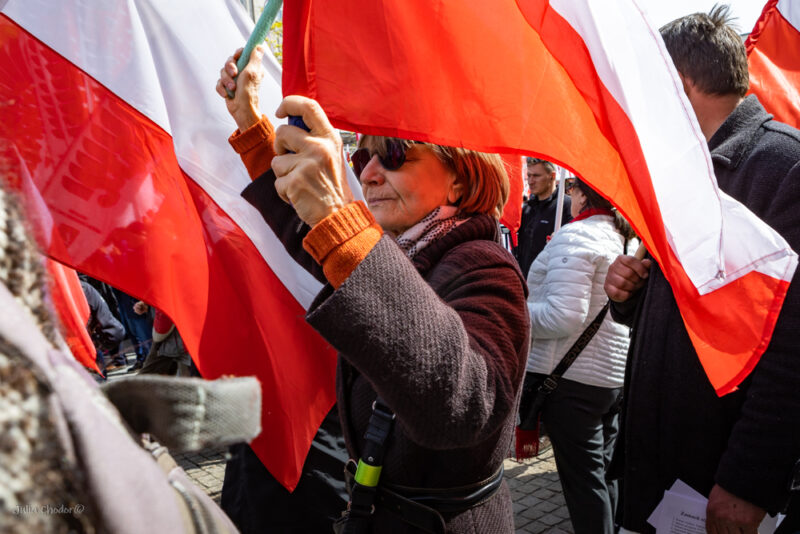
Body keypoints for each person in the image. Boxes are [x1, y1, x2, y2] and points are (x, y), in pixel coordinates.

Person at [216, 45, 529, 533]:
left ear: (460, 185)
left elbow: (463, 405)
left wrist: (339, 222)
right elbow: (313, 240)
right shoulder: (404, 248)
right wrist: (253, 125)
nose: (367, 173)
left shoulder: (487, 266)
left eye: (395, 156)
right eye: (363, 156)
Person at [604, 6, 800, 533]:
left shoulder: (787, 169)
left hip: (718, 486)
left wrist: (748, 481)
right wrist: (631, 296)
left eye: (648, 84)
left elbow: (793, 346)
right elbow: (695, 314)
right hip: (657, 477)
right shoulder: (681, 174)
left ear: (680, 83)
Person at [522, 177, 634, 533]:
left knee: (584, 485)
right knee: (602, 475)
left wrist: (515, 315)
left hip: (571, 380)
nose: (568, 195)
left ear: (583, 194)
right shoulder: (624, 240)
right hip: (609, 378)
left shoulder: (577, 235)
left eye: (571, 188)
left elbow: (562, 316)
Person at [513, 158, 571, 278]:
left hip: (552, 282)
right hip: (526, 283)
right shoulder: (526, 209)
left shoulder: (566, 207)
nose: (530, 181)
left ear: (552, 176)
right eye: (529, 175)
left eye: (536, 176)